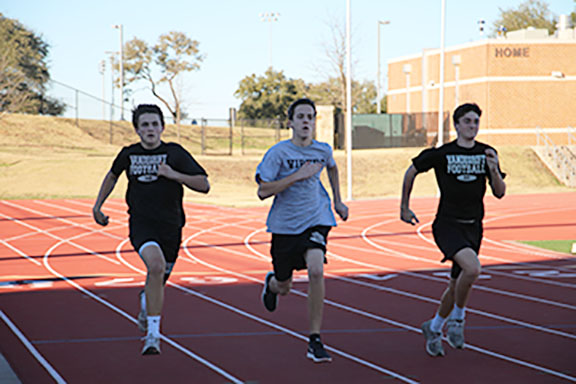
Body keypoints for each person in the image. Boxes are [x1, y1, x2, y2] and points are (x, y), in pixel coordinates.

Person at [92, 104, 209, 355]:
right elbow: (112, 176)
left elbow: (204, 184)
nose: (150, 129)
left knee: (159, 278)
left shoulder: (174, 153)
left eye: (155, 124)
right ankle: (153, 335)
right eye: (145, 125)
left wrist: (173, 174)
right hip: (142, 224)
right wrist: (98, 205)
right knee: (154, 266)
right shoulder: (128, 154)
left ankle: (146, 301)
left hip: (171, 226)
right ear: (137, 129)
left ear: (162, 127)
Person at [400, 103, 506, 357]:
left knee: (457, 284)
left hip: (474, 226)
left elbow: (500, 193)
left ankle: (434, 327)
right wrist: (404, 207)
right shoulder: (442, 153)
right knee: (473, 269)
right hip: (447, 225)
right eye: (467, 121)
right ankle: (458, 320)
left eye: (476, 121)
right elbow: (411, 171)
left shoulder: (488, 152)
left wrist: (493, 170)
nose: (472, 126)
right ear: (457, 125)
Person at [256, 98, 349, 363]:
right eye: (301, 117)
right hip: (284, 226)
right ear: (291, 123)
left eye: (310, 117)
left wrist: (337, 200)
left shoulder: (322, 150)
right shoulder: (278, 153)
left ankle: (315, 339)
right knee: (285, 286)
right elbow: (263, 191)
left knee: (316, 270)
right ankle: (272, 284)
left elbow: (331, 166)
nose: (306, 121)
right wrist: (296, 176)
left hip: (317, 218)